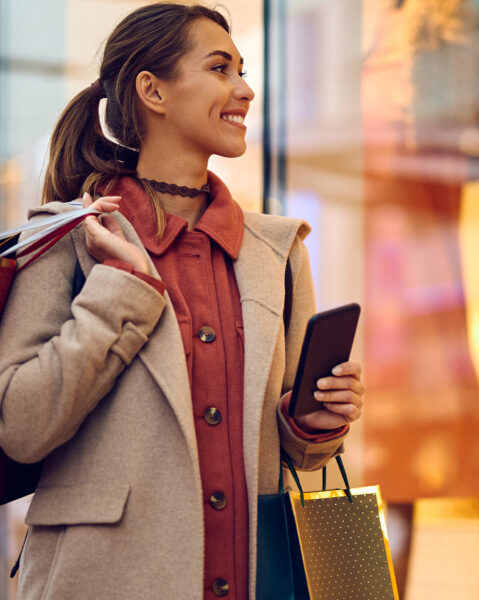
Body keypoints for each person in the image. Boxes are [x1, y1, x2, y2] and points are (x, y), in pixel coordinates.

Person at [0, 4, 364, 599]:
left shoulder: (279, 253)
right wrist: (123, 291)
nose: (244, 90)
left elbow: (292, 449)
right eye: (220, 68)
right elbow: (22, 426)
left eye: (242, 71)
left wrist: (313, 423)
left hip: (252, 579)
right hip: (103, 580)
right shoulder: (68, 237)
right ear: (152, 90)